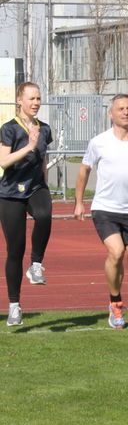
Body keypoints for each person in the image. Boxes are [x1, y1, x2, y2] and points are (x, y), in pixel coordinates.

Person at [74, 94, 128, 329]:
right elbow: (84, 171)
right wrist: (79, 202)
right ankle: (115, 303)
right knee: (116, 252)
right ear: (110, 114)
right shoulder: (99, 142)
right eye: (120, 109)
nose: (126, 112)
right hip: (105, 208)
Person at [0, 82, 53, 326]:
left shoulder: (45, 129)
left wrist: (45, 183)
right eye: (31, 98)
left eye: (38, 98)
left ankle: (36, 264)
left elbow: (42, 159)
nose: (36, 102)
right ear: (19, 100)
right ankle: (14, 305)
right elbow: (3, 161)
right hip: (11, 193)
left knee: (44, 214)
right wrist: (29, 146)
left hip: (36, 187)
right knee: (15, 250)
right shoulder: (9, 129)